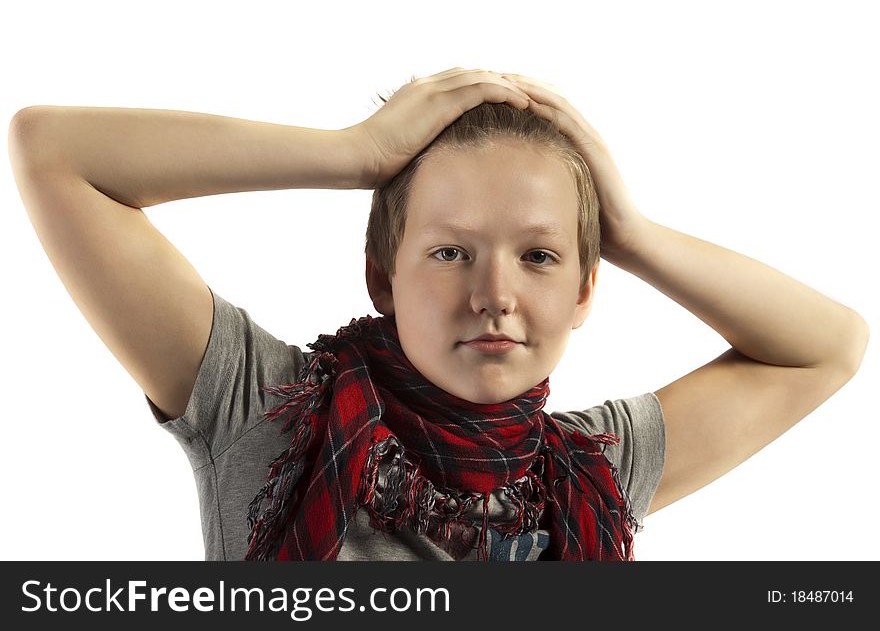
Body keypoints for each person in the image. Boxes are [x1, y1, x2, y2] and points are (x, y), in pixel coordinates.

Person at [9, 67, 869, 561]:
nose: (494, 293)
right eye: (450, 251)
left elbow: (828, 345)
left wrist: (630, 231)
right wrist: (352, 155)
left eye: (539, 255)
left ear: (584, 292)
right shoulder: (265, 410)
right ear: (381, 278)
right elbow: (54, 156)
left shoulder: (593, 469)